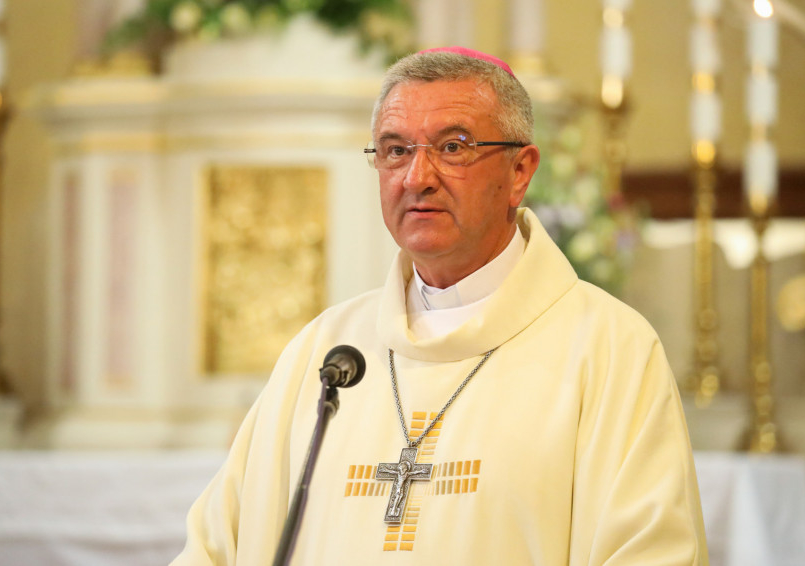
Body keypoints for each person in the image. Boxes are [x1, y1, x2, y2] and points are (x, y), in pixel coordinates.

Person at [172, 47, 708, 565]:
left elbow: (651, 552)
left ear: (520, 172)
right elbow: (217, 547)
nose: (416, 177)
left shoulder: (610, 350)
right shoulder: (324, 352)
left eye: (452, 147)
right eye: (395, 150)